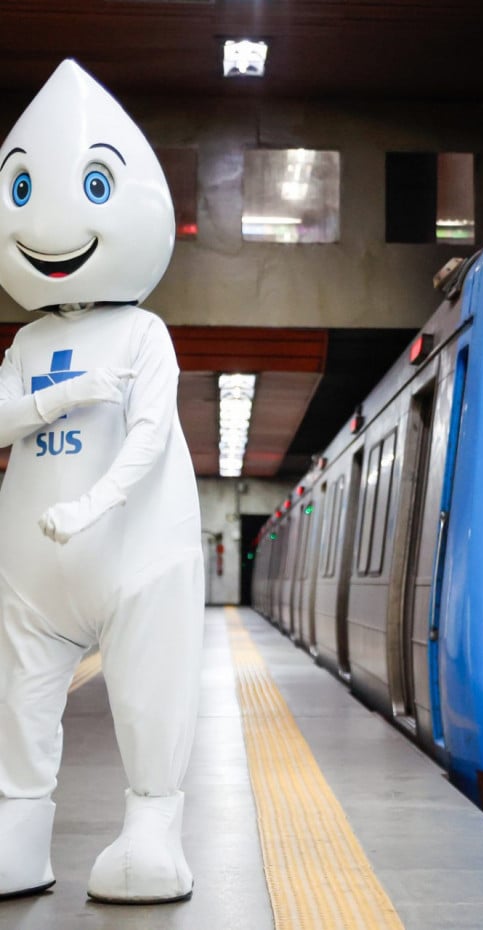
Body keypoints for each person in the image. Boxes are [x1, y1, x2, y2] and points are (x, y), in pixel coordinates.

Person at [0, 59, 204, 904]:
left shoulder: (145, 333)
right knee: (17, 701)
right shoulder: (24, 346)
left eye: (93, 184)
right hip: (28, 574)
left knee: (150, 691)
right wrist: (64, 395)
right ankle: (15, 828)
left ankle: (153, 827)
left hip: (135, 556)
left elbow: (152, 433)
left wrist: (93, 501)